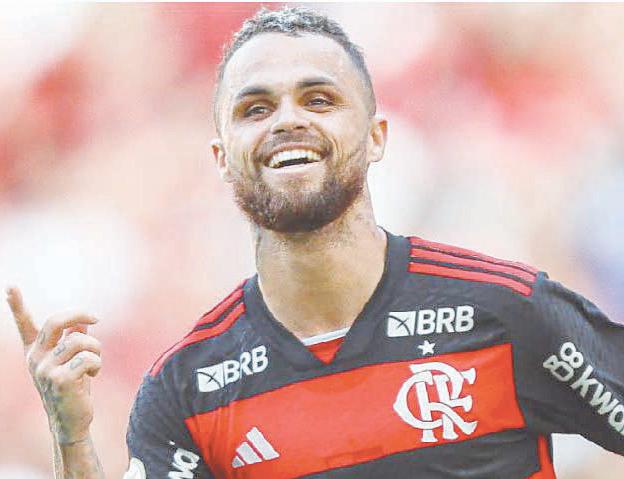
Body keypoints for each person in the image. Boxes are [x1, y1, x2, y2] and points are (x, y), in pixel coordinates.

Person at [8, 6, 624, 479]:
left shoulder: (507, 312)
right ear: (221, 158)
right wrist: (72, 440)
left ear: (376, 136)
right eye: (255, 109)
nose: (287, 120)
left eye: (319, 99)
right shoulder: (188, 389)